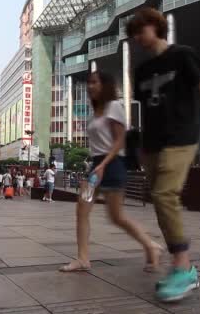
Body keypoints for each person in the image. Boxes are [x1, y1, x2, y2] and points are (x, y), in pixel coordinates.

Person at [127, 8, 200, 302]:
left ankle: (183, 266)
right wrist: (139, 147)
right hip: (152, 145)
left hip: (181, 139)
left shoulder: (183, 56)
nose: (137, 38)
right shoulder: (140, 71)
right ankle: (181, 264)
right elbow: (147, 112)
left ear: (155, 26)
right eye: (133, 34)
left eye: (140, 30)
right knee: (161, 201)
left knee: (165, 196)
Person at [59, 70, 163, 274]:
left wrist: (104, 164)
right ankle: (82, 259)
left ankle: (151, 245)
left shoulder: (114, 107)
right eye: (89, 83)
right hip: (96, 168)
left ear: (104, 85)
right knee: (82, 209)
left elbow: (119, 142)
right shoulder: (96, 110)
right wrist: (95, 165)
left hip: (113, 165)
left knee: (116, 216)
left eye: (94, 82)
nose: (90, 86)